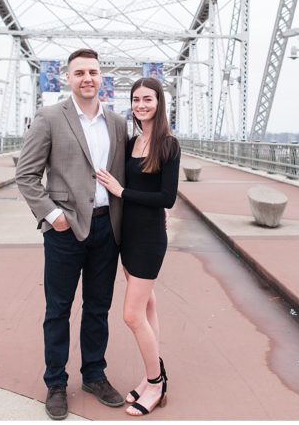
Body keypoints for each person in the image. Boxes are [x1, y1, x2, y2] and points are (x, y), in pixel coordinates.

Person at [16, 48, 129, 420]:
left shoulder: (116, 123)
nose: (87, 79)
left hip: (105, 227)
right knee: (58, 309)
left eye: (93, 72)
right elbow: (26, 175)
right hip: (64, 229)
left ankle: (94, 375)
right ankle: (56, 384)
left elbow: (128, 175)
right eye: (79, 72)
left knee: (98, 307)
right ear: (68, 78)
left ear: (101, 77)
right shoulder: (49, 118)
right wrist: (53, 216)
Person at [95, 77, 181, 417]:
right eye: (135, 99)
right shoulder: (132, 141)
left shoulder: (168, 144)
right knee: (147, 309)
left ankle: (156, 382)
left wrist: (121, 191)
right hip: (126, 236)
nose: (140, 104)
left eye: (147, 98)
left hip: (148, 239)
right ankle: (150, 379)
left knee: (131, 314)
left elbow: (167, 198)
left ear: (159, 102)